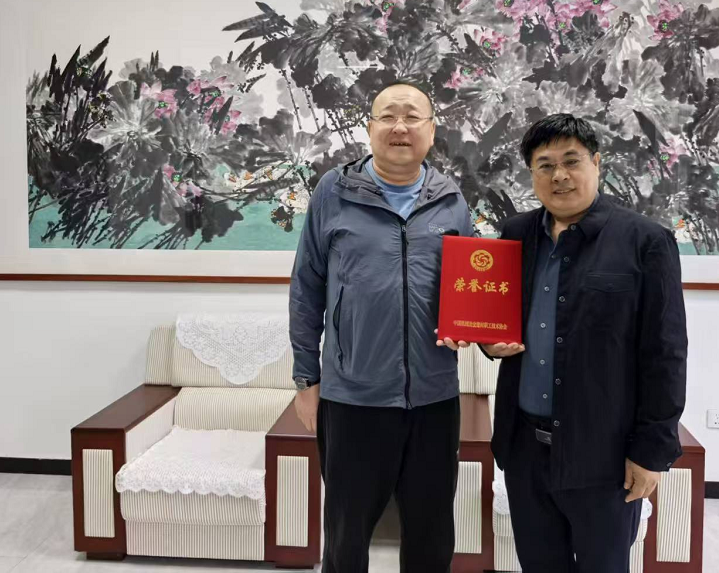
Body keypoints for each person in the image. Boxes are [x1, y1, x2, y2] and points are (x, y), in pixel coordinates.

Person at [440, 113, 687, 573]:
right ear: (532, 173)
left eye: (572, 161)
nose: (559, 175)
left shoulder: (645, 241)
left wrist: (652, 452)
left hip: (604, 454)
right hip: (524, 449)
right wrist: (488, 344)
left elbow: (666, 353)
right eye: (545, 164)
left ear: (596, 163)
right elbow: (497, 322)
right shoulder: (515, 235)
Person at [289, 82, 473, 573]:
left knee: (432, 536)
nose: (400, 127)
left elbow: (468, 290)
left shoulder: (452, 200)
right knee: (346, 538)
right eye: (388, 116)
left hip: (434, 398)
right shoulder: (333, 192)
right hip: (354, 396)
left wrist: (471, 327)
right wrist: (306, 379)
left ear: (431, 130)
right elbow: (306, 287)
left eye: (412, 116)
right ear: (370, 128)